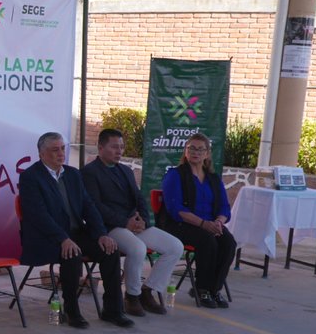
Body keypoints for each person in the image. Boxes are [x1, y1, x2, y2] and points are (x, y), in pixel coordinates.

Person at [18, 132, 133, 329]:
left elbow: (89, 206)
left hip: (76, 232)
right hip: (47, 237)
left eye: (63, 148)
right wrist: (62, 238)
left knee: (110, 250)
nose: (61, 153)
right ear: (42, 153)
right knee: (72, 252)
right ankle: (72, 311)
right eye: (55, 150)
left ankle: (112, 310)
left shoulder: (72, 174)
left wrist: (101, 234)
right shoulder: (30, 177)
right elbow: (38, 215)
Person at [83, 128, 183, 316]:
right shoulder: (89, 172)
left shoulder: (126, 170)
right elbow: (95, 206)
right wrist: (125, 222)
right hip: (110, 227)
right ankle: (132, 296)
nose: (119, 151)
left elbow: (139, 199)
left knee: (175, 246)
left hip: (134, 224)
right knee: (138, 249)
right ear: (100, 147)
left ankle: (148, 290)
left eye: (121, 147)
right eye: (114, 147)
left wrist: (142, 220)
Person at [159, 133, 236, 309]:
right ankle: (202, 290)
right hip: (180, 225)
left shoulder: (214, 179)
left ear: (207, 154)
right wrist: (203, 224)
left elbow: (224, 207)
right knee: (208, 241)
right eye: (191, 148)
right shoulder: (175, 175)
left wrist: (218, 222)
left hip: (210, 224)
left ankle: (214, 289)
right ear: (185, 152)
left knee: (228, 242)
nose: (196, 152)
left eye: (201, 149)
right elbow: (176, 209)